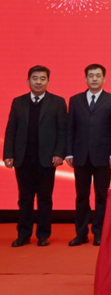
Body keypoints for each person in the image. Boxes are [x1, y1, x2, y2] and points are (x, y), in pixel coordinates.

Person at [3, 66, 67, 247]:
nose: (38, 82)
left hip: (47, 159)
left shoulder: (58, 102)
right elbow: (11, 129)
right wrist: (8, 154)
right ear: (28, 81)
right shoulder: (18, 102)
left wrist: (59, 153)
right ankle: (23, 234)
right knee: (25, 198)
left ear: (48, 81)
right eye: (35, 78)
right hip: (23, 158)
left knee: (45, 198)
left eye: (42, 78)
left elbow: (63, 131)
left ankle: (43, 235)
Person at [65, 64, 111, 246]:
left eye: (98, 75)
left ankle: (99, 232)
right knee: (81, 196)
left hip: (104, 156)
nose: (95, 79)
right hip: (80, 155)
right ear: (85, 79)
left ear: (104, 79)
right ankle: (81, 233)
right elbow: (70, 128)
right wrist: (69, 152)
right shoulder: (75, 100)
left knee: (101, 196)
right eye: (91, 75)